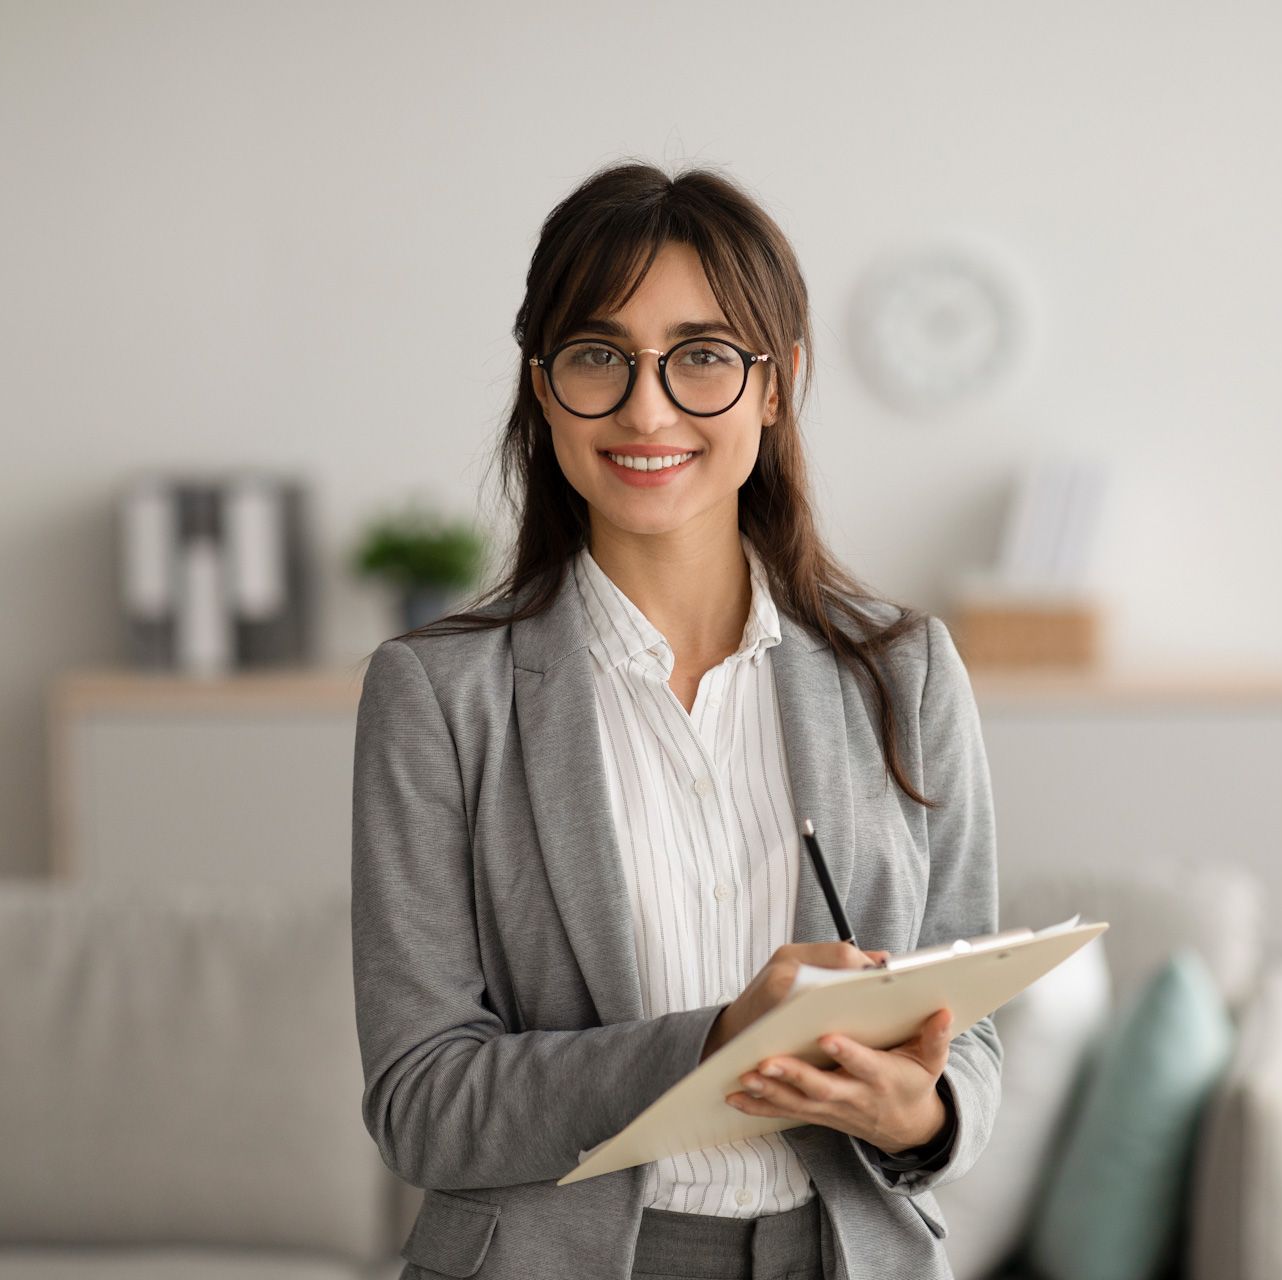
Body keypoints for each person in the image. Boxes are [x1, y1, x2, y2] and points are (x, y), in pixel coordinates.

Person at [351, 160, 1002, 1280]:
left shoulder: (906, 672)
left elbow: (971, 1031)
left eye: (701, 355)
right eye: (598, 355)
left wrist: (924, 1114)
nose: (646, 409)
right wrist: (715, 1044)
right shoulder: (437, 695)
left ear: (773, 385)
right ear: (543, 385)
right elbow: (421, 1102)